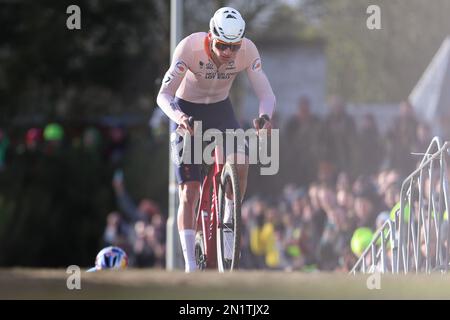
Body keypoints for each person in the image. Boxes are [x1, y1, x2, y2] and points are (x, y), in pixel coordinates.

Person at [156, 7, 276, 272]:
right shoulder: (189, 47)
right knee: (190, 192)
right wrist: (179, 117)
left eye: (234, 47)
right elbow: (163, 95)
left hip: (221, 111)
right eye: (222, 45)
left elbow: (266, 94)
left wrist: (264, 118)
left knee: (242, 163)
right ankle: (189, 266)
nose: (228, 53)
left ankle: (230, 218)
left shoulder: (248, 51)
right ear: (211, 37)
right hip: (186, 111)